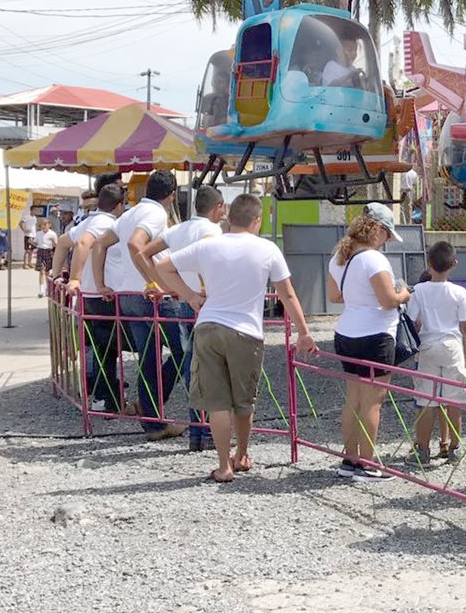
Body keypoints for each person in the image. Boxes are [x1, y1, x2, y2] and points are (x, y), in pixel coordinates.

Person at [157, 194, 316, 483]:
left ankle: (223, 466)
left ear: (228, 217)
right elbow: (287, 294)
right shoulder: (267, 249)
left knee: (217, 402)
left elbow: (163, 266)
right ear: (257, 221)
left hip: (208, 326)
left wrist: (191, 296)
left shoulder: (208, 245)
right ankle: (242, 455)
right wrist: (304, 332)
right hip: (247, 330)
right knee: (244, 401)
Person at [92, 170, 182, 441]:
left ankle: (152, 417)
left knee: (148, 357)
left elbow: (100, 244)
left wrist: (101, 284)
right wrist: (155, 282)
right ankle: (154, 409)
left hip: (127, 294)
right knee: (183, 350)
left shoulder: (130, 213)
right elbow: (135, 244)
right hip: (150, 296)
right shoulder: (156, 214)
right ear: (172, 194)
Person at [327, 202, 411, 481]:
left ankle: (349, 459)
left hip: (346, 332)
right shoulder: (375, 260)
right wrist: (404, 294)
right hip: (375, 335)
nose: (387, 241)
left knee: (353, 400)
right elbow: (388, 301)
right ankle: (368, 462)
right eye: (387, 234)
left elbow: (334, 296)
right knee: (373, 402)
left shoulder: (340, 256)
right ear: (377, 230)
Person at [142, 185, 227, 452]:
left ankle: (198, 431)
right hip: (207, 301)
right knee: (213, 368)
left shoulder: (177, 229)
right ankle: (210, 432)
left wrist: (168, 286)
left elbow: (146, 253)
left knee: (192, 365)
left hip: (185, 303)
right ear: (218, 207)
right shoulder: (212, 231)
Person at [407, 241, 466, 465]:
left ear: (429, 264)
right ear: (454, 264)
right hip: (453, 347)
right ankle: (454, 447)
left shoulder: (418, 290)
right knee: (454, 400)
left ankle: (423, 450)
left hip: (427, 346)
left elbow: (413, 323)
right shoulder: (459, 292)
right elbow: (465, 327)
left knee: (426, 401)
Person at [61, 183, 127, 413]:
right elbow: (82, 244)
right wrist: (75, 278)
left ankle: (105, 397)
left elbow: (62, 243)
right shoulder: (105, 223)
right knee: (106, 349)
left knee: (102, 349)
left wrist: (58, 274)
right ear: (119, 205)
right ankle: (105, 397)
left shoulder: (89, 221)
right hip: (101, 295)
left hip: (93, 294)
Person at [34, 218, 58, 297]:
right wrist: (32, 243)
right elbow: (36, 243)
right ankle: (41, 290)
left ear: (49, 225)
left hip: (49, 251)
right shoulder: (38, 233)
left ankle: (48, 289)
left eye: (45, 224)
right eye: (42, 225)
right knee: (41, 271)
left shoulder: (52, 234)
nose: (43, 226)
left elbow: (56, 245)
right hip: (40, 251)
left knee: (47, 272)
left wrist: (53, 241)